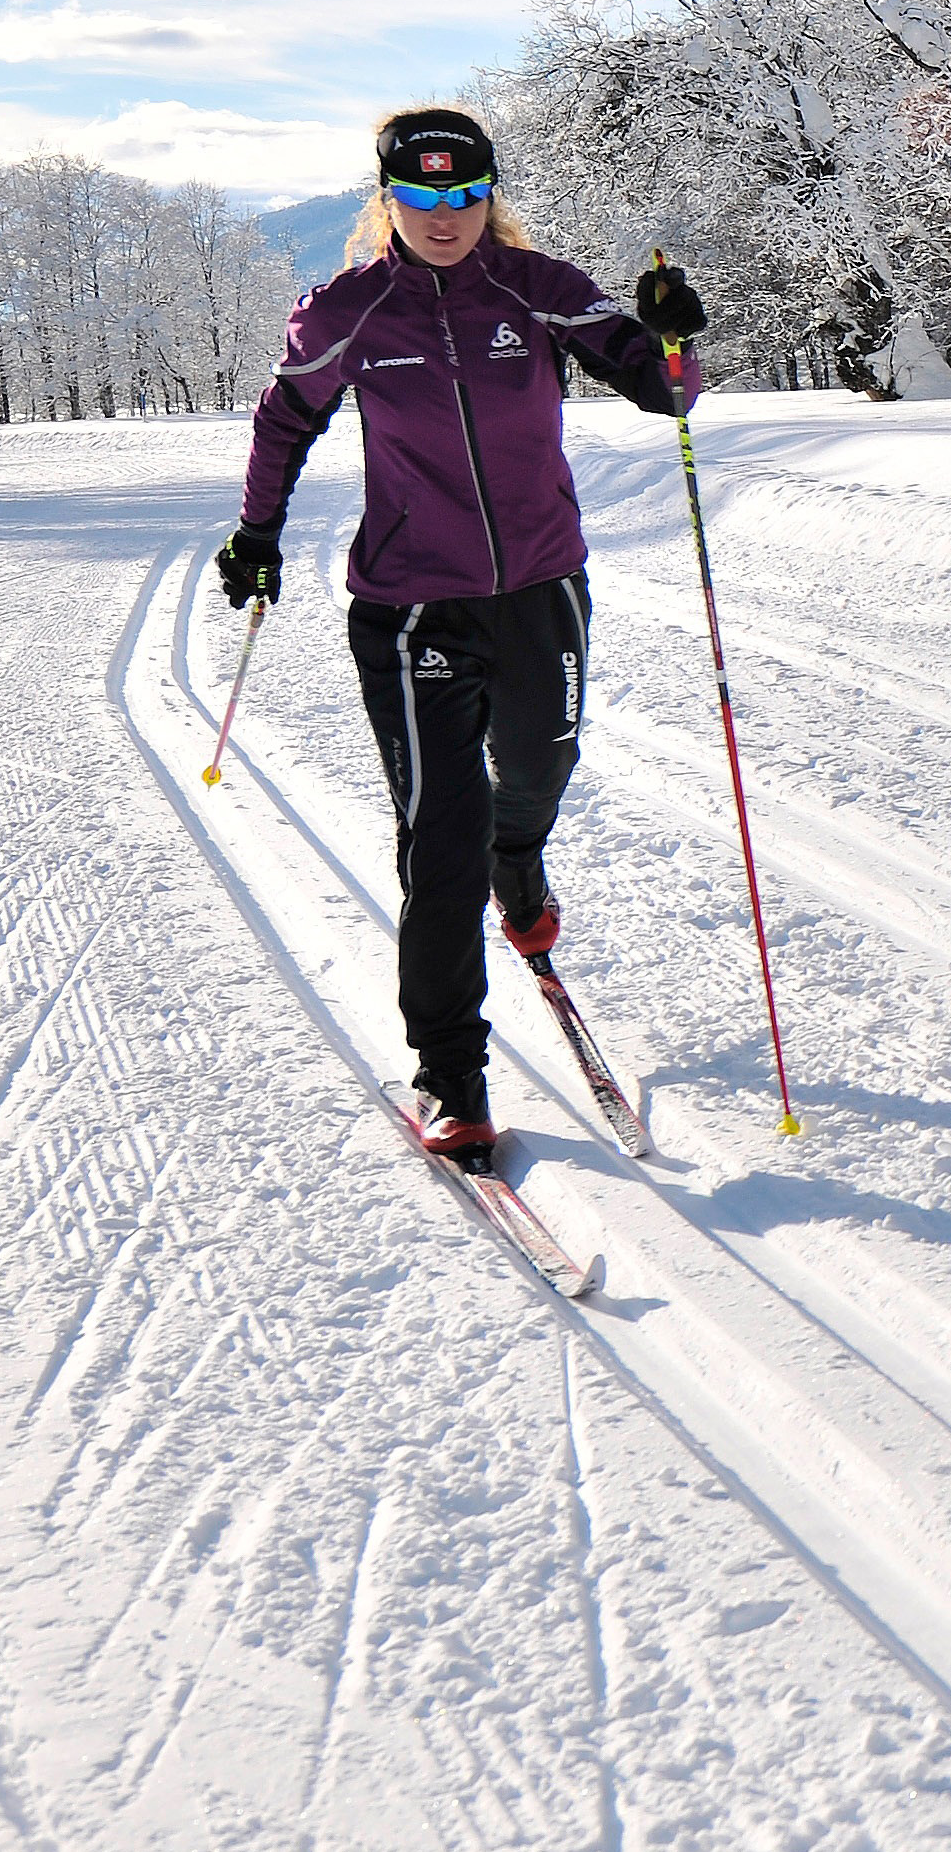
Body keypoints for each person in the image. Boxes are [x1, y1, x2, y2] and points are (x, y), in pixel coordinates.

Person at [224, 104, 709, 1162]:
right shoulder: (346, 311)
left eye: (463, 196)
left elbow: (662, 392)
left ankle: (520, 866)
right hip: (410, 608)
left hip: (541, 587)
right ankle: (452, 1075)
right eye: (420, 197)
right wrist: (256, 532)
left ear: (491, 196)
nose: (444, 217)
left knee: (534, 772)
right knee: (438, 839)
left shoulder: (539, 291)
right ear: (386, 200)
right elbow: (284, 419)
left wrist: (674, 336)